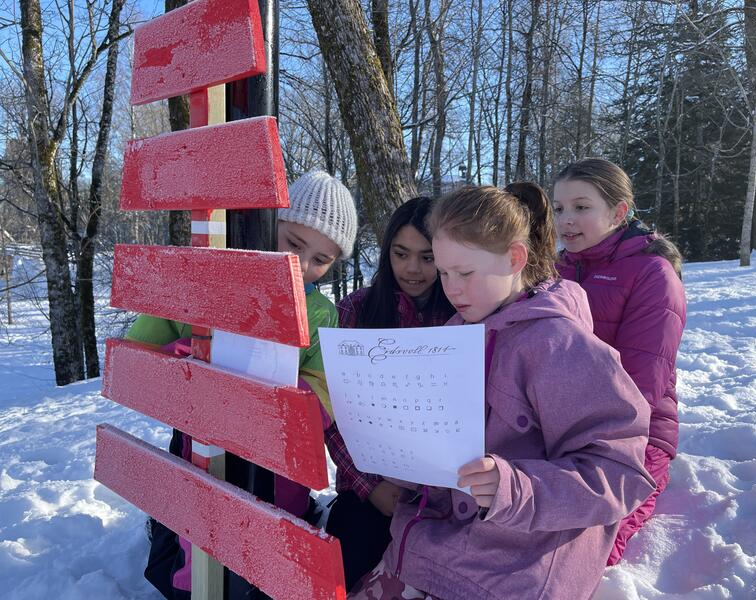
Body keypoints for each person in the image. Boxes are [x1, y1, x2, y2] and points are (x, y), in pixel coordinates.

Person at [349, 183, 656, 600]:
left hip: (512, 573)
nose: (452, 288)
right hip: (425, 553)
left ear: (515, 259)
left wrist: (513, 487)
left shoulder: (559, 346)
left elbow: (621, 473)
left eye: (465, 273)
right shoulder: (455, 334)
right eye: (444, 273)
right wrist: (402, 456)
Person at [129, 169, 358, 600]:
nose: (303, 266)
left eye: (321, 259)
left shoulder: (320, 313)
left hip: (275, 456)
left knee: (273, 524)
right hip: (201, 440)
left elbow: (324, 390)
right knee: (202, 523)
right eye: (293, 243)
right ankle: (192, 582)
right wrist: (188, 357)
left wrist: (287, 395)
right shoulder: (208, 281)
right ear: (270, 226)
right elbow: (141, 352)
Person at [552, 157, 686, 565]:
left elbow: (642, 385)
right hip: (557, 425)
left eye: (581, 207)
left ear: (618, 212)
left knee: (589, 546)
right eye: (558, 208)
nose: (566, 220)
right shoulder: (553, 271)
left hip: (635, 434)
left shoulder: (652, 274)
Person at [326, 197, 455, 590]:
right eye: (401, 254)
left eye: (427, 257)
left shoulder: (460, 314)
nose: (412, 269)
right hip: (369, 487)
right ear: (386, 254)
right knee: (343, 574)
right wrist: (370, 486)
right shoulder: (355, 312)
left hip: (442, 494)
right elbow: (330, 410)